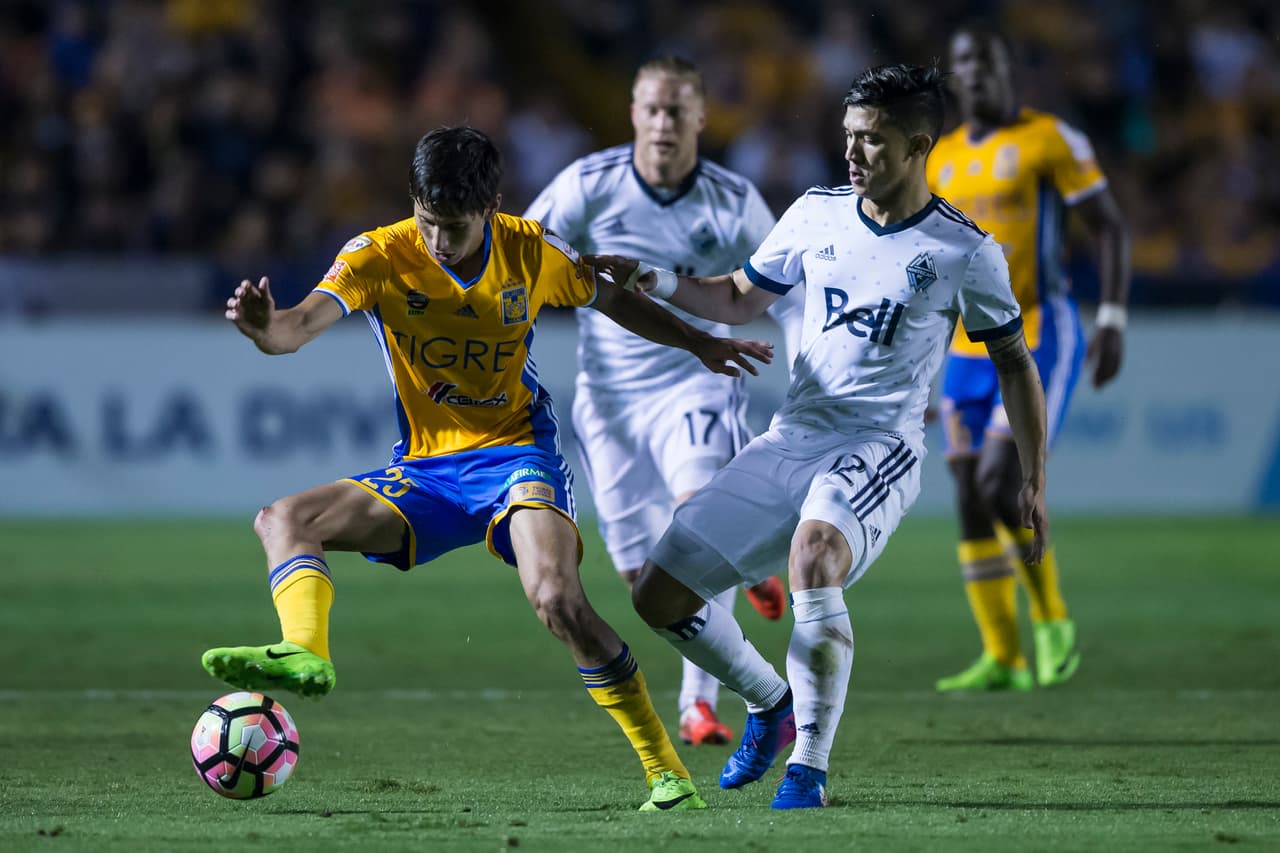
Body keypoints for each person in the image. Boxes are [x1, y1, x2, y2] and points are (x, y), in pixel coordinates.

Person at [201, 126, 774, 812]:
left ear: (493, 206)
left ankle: (667, 772)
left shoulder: (532, 251)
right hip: (426, 470)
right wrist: (265, 328)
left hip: (515, 454)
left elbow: (614, 296)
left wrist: (700, 342)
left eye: (454, 226)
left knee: (558, 600)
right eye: (427, 220)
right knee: (283, 518)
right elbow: (296, 326)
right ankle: (307, 650)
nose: (438, 240)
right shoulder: (378, 255)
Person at [595, 63, 1050, 810]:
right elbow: (739, 299)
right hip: (793, 433)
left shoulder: (966, 251)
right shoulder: (814, 213)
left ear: (917, 146)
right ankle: (769, 703)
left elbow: (1013, 360)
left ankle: (808, 765)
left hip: (879, 444)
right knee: (658, 592)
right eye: (848, 137)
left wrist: (1034, 479)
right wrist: (657, 277)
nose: (853, 153)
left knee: (813, 557)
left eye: (872, 140)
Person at [523, 56, 802, 747]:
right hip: (609, 399)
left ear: (702, 119)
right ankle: (753, 566)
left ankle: (698, 706)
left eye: (677, 110)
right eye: (651, 108)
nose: (663, 123)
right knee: (642, 574)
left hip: (696, 378)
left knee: (692, 528)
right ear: (633, 113)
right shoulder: (588, 186)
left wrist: (805, 372)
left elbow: (785, 290)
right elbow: (519, 256)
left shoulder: (732, 199)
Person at [926, 26, 1130, 692]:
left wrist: (1113, 316)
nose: (974, 73)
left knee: (995, 480)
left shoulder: (1051, 139)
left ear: (1010, 68)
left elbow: (1110, 227)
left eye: (985, 60)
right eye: (962, 62)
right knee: (966, 492)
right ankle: (1004, 655)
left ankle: (1052, 618)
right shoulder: (941, 158)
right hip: (962, 347)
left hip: (1039, 330)